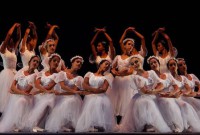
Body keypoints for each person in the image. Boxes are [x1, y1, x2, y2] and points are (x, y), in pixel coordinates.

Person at [120, 56, 171, 133]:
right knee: (147, 102)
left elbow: (160, 83)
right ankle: (147, 124)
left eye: (136, 62)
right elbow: (144, 91)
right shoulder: (135, 77)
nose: (135, 64)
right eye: (132, 64)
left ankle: (169, 122)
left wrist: (157, 90)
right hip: (142, 96)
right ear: (131, 66)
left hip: (153, 94)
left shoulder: (151, 72)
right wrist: (155, 91)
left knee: (165, 101)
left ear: (140, 61)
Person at [0, 55, 40, 132]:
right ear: (29, 62)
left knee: (22, 101)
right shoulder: (20, 72)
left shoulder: (35, 76)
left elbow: (27, 90)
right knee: (19, 100)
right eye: (34, 61)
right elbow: (12, 86)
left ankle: (18, 124)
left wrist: (16, 92)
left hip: (28, 97)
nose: (35, 63)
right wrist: (18, 92)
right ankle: (14, 123)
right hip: (18, 95)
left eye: (37, 62)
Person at [45, 55, 84, 132]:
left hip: (70, 96)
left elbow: (74, 91)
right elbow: (62, 86)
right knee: (68, 101)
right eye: (77, 62)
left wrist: (74, 92)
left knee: (72, 100)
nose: (79, 63)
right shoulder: (62, 73)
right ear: (72, 63)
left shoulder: (79, 78)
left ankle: (70, 124)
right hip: (61, 96)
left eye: (80, 63)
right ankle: (62, 124)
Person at [75, 60, 116, 132]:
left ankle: (98, 125)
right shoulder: (89, 74)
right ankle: (90, 125)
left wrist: (91, 91)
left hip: (101, 96)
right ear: (100, 64)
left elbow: (103, 89)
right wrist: (93, 90)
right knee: (90, 108)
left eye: (108, 66)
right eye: (106, 64)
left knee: (98, 103)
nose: (107, 66)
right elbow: (84, 85)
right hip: (90, 97)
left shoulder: (106, 78)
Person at [146, 56, 184, 132]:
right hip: (155, 97)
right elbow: (149, 89)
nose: (153, 64)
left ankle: (175, 125)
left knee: (167, 102)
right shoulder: (150, 77)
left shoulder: (167, 75)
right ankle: (155, 124)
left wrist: (171, 93)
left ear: (159, 63)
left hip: (167, 97)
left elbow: (176, 88)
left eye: (155, 62)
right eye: (151, 64)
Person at [26, 53, 61, 132]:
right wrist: (40, 91)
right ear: (49, 62)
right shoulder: (41, 73)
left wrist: (41, 91)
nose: (56, 63)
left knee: (47, 101)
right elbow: (37, 84)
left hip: (50, 95)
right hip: (41, 93)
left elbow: (49, 86)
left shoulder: (58, 75)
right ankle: (32, 123)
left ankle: (36, 124)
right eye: (54, 61)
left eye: (58, 62)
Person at [167, 58, 200, 132]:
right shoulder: (168, 77)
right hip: (173, 97)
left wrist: (185, 93)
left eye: (174, 64)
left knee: (189, 104)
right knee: (184, 105)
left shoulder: (183, 78)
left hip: (183, 96)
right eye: (171, 65)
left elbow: (188, 89)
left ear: (176, 66)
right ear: (168, 67)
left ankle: (188, 124)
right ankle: (182, 125)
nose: (173, 66)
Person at [0, 23, 21, 114]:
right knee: (6, 96)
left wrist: (19, 29)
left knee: (15, 96)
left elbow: (19, 39)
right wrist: (13, 26)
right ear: (9, 41)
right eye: (11, 40)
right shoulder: (3, 49)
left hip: (14, 73)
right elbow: (8, 35)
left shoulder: (13, 50)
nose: (13, 41)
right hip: (7, 73)